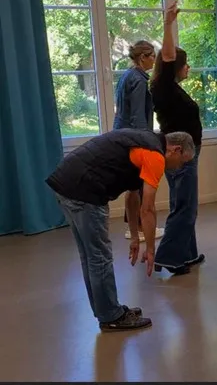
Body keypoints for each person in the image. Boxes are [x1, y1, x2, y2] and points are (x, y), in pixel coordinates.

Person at [45, 128, 195, 331]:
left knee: (90, 256)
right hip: (84, 191)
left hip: (66, 184)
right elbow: (148, 209)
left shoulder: (144, 142)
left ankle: (108, 309)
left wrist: (135, 237)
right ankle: (111, 316)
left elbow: (132, 197)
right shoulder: (155, 156)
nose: (179, 168)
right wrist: (151, 250)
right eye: (182, 162)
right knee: (99, 257)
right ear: (175, 150)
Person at [151, 2, 204, 275]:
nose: (188, 68)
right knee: (185, 206)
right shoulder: (164, 86)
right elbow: (168, 54)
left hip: (181, 150)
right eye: (185, 65)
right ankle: (170, 257)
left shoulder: (168, 88)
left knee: (183, 202)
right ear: (175, 66)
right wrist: (169, 23)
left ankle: (188, 254)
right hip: (179, 151)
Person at [113, 40, 165, 242]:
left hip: (122, 133)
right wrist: (145, 140)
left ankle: (134, 226)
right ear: (142, 57)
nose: (154, 59)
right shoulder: (139, 80)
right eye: (152, 55)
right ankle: (141, 227)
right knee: (138, 184)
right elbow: (137, 114)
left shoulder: (126, 75)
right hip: (133, 136)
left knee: (132, 186)